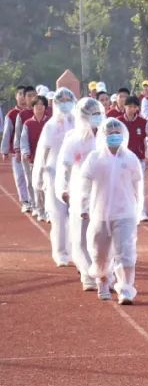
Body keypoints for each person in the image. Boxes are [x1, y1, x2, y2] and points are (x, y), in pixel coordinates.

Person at [80, 117, 144, 304]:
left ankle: (126, 289)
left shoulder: (130, 158)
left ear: (123, 135)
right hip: (100, 214)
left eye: (117, 132)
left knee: (126, 253)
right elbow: (84, 183)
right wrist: (84, 206)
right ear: (103, 135)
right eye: (110, 133)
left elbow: (138, 185)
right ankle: (103, 281)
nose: (114, 135)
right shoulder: (95, 158)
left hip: (125, 213)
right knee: (100, 253)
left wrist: (138, 209)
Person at [57, 97, 105, 291]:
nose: (96, 117)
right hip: (80, 192)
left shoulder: (105, 136)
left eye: (98, 113)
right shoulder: (74, 139)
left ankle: (102, 273)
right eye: (92, 114)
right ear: (83, 116)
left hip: (102, 192)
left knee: (101, 236)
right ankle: (87, 274)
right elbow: (65, 166)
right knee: (81, 236)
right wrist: (64, 188)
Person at [36, 88, 76, 266]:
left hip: (73, 173)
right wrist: (40, 172)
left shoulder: (77, 122)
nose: (65, 104)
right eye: (62, 101)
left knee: (75, 213)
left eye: (68, 100)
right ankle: (60, 252)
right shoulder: (51, 126)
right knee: (58, 214)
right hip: (54, 172)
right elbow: (44, 150)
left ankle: (76, 250)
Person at [2, 85, 33, 212]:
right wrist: (5, 151)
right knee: (20, 176)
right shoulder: (11, 114)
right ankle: (25, 201)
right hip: (16, 152)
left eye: (23, 94)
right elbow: (7, 133)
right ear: (16, 96)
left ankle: (34, 200)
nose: (22, 97)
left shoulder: (33, 111)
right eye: (19, 94)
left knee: (31, 177)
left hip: (31, 150)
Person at [19, 95, 50, 220]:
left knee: (47, 186)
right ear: (32, 107)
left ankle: (48, 211)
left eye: (42, 104)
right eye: (36, 105)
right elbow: (24, 141)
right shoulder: (28, 123)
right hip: (33, 159)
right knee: (35, 185)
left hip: (48, 160)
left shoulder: (49, 123)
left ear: (45, 107)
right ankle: (38, 209)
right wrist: (25, 152)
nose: (39, 107)